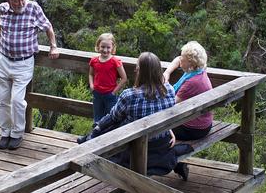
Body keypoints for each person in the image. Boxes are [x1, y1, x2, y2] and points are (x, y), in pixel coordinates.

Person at [78, 52, 189, 180]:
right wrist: (169, 130)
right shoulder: (169, 90)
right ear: (158, 70)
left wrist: (97, 128)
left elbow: (113, 117)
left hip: (136, 146)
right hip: (161, 143)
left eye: (137, 67)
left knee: (112, 124)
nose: (136, 69)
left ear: (139, 71)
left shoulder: (130, 95)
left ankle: (89, 138)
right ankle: (89, 137)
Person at [0, 0, 59, 150]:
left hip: (24, 62)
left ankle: (17, 133)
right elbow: (1, 22)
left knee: (17, 101)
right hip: (3, 60)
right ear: (9, 1)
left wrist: (53, 46)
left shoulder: (33, 8)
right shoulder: (3, 8)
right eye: (16, 1)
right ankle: (5, 131)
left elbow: (48, 27)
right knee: (2, 100)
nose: (21, 3)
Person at [163, 41, 213, 141]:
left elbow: (170, 103)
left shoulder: (193, 82)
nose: (180, 58)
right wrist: (167, 73)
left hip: (193, 128)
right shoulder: (198, 69)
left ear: (191, 63)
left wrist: (164, 85)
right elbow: (177, 59)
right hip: (203, 121)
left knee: (153, 129)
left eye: (183, 58)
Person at [88, 33, 127, 122]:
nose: (105, 50)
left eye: (108, 47)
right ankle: (97, 134)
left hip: (110, 95)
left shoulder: (115, 61)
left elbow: (124, 78)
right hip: (97, 93)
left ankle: (108, 134)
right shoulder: (94, 60)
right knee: (97, 117)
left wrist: (114, 92)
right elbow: (90, 74)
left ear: (112, 47)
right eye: (102, 47)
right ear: (98, 46)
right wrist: (91, 85)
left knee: (110, 118)